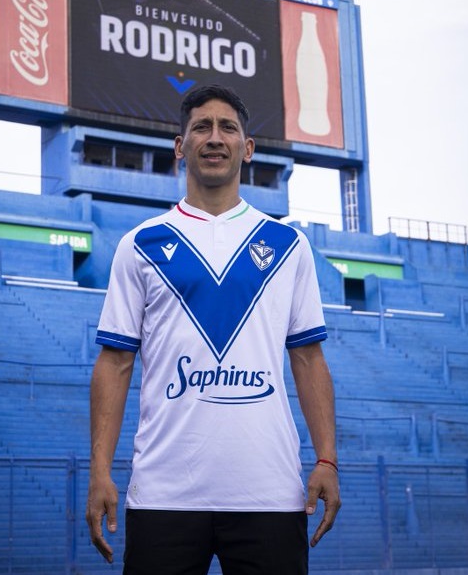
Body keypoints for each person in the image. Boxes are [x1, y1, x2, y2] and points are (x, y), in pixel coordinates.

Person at [86, 84, 341, 574]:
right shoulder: (139, 244)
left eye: (228, 128)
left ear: (248, 148)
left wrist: (327, 459)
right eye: (201, 127)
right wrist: (100, 471)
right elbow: (115, 363)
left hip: (270, 495)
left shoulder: (289, 245)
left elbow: (309, 358)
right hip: (163, 495)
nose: (215, 137)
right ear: (180, 146)